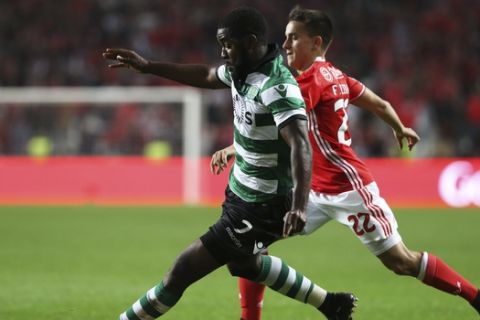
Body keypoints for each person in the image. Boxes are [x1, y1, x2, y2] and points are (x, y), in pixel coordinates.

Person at [210, 6, 480, 320]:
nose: (284, 46)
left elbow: (279, 127)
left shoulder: (310, 81)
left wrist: (234, 147)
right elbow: (380, 103)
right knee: (252, 241)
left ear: (316, 43)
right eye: (285, 38)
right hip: (312, 192)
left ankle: (475, 297)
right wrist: (399, 127)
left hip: (349, 188)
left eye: (293, 38)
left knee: (401, 261)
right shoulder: (335, 74)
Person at [103, 7, 357, 320]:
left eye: (228, 44)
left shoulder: (276, 85)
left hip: (263, 204)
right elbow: (208, 75)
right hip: (240, 191)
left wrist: (300, 206)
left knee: (180, 272)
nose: (223, 52)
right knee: (244, 264)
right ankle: (332, 305)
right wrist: (148, 66)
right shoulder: (242, 69)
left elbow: (301, 145)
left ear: (250, 42)